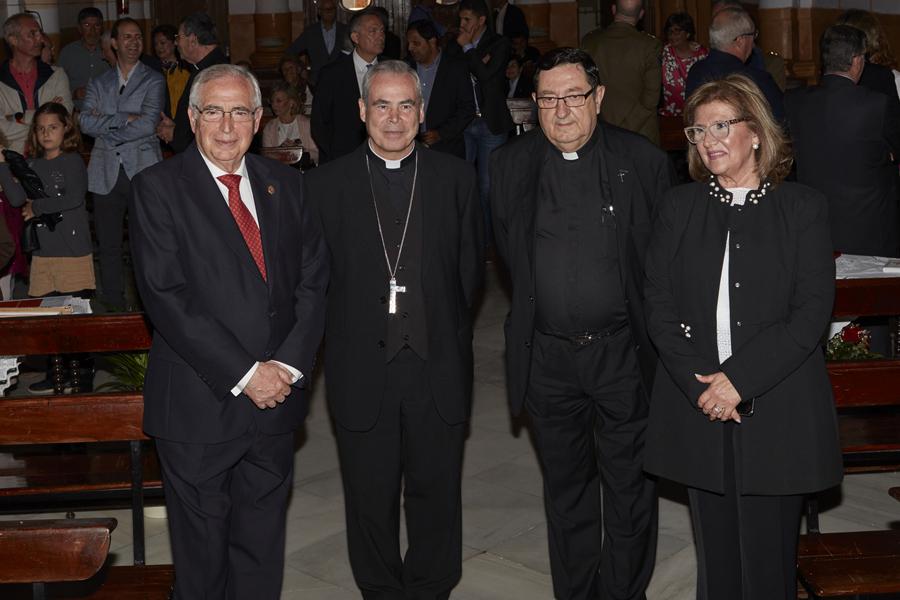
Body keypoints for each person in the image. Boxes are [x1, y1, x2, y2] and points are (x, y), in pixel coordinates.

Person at [129, 63, 328, 599]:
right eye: (213, 110)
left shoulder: (286, 184)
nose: (226, 125)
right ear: (192, 118)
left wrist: (283, 368)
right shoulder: (157, 189)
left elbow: (313, 281)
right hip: (199, 404)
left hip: (275, 403)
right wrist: (246, 374)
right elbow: (168, 297)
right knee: (202, 564)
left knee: (261, 552)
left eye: (239, 111)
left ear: (259, 119)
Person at [644, 73, 843, 600]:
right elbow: (658, 308)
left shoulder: (802, 208)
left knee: (767, 564)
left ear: (756, 132)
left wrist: (738, 382)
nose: (708, 139)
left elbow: (809, 315)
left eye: (721, 126)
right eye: (697, 130)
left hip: (777, 408)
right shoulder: (678, 208)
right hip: (699, 408)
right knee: (717, 567)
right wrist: (703, 391)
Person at [491, 47, 671, 600]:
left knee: (629, 488)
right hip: (548, 358)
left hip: (622, 354)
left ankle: (624, 593)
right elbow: (508, 255)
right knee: (566, 491)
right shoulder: (509, 165)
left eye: (573, 97)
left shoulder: (642, 161)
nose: (561, 111)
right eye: (548, 99)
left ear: (598, 98)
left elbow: (662, 263)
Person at [306, 60, 483, 600]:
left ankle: (431, 586)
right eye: (381, 105)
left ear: (421, 111)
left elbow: (470, 273)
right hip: (362, 365)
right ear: (362, 112)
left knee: (436, 489)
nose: (394, 117)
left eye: (406, 105)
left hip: (435, 362)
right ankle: (381, 588)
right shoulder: (325, 186)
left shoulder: (455, 178)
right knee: (369, 492)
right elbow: (313, 282)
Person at [0, 102, 94, 392]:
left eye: (52, 127)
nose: (46, 133)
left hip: (72, 251)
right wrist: (3, 165)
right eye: (40, 129)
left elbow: (74, 198)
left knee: (73, 317)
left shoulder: (72, 161)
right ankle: (54, 373)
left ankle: (82, 373)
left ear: (66, 128)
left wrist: (37, 206)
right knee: (45, 317)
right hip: (43, 252)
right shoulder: (34, 165)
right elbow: (16, 199)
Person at [786, 25, 900, 257]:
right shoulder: (878, 104)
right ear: (857, 60)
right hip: (871, 229)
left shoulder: (794, 102)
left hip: (813, 226)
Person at [80, 18, 165, 312]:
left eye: (138, 37)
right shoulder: (99, 82)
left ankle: (150, 304)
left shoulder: (153, 79)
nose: (134, 42)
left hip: (142, 168)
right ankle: (114, 303)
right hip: (105, 172)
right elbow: (85, 122)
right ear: (113, 43)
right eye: (127, 37)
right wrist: (123, 118)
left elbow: (148, 124)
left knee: (146, 243)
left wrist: (109, 125)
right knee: (108, 243)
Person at [448, 0, 514, 243]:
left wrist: (469, 50)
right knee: (464, 185)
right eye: (460, 20)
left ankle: (489, 243)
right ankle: (467, 239)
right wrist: (463, 50)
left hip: (490, 124)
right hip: (464, 123)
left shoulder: (498, 43)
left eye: (467, 20)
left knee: (488, 188)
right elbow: (450, 73)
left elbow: (486, 76)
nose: (462, 25)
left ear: (481, 20)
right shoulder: (456, 46)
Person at [582, 0, 662, 145]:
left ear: (613, 10)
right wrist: (624, 128)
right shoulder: (650, 46)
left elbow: (584, 88)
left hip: (600, 131)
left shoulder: (590, 42)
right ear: (641, 14)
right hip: (640, 134)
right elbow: (651, 98)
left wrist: (611, 129)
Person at [685, 7, 784, 123]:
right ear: (740, 40)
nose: (753, 43)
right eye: (753, 35)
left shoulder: (695, 71)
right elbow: (781, 122)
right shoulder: (755, 79)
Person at [312, 9, 385, 163]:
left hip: (385, 155)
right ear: (355, 37)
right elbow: (319, 123)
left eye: (382, 30)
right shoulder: (332, 74)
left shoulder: (392, 70)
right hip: (344, 159)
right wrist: (335, 158)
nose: (380, 36)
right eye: (373, 31)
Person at [156, 12, 228, 153]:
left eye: (178, 37)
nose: (176, 43)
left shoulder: (215, 73)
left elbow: (212, 127)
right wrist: (177, 127)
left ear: (193, 40)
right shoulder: (202, 68)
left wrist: (175, 135)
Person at [0, 13, 72, 154]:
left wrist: (18, 117)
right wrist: (45, 126)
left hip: (52, 158)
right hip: (12, 160)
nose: (40, 39)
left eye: (40, 32)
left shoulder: (56, 75)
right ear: (13, 40)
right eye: (32, 34)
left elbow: (64, 117)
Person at [406, 19, 475, 158]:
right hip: (411, 147)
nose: (410, 48)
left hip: (447, 148)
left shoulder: (455, 67)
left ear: (432, 41)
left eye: (416, 43)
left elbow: (467, 108)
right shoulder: (406, 68)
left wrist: (441, 134)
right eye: (408, 43)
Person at [284, 0, 347, 84]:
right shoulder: (310, 32)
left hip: (341, 80)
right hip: (317, 81)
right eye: (326, 9)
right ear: (319, 12)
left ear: (336, 11)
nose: (329, 12)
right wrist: (301, 68)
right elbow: (291, 51)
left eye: (332, 9)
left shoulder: (345, 30)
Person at [57, 7, 108, 113]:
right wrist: (75, 93)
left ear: (102, 28)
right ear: (79, 28)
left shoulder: (110, 51)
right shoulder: (67, 53)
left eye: (97, 25)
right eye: (87, 25)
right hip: (76, 113)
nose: (93, 31)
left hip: (106, 112)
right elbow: (55, 88)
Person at [659, 12, 708, 117]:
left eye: (677, 32)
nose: (672, 36)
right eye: (670, 32)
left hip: (696, 114)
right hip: (669, 115)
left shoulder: (701, 54)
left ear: (687, 33)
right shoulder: (663, 52)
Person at [262, 82, 319, 164]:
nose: (274, 105)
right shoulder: (270, 127)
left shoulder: (306, 124)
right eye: (272, 101)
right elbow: (266, 158)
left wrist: (299, 151)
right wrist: (282, 152)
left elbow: (317, 154)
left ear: (291, 102)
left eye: (279, 101)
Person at [147, 24, 191, 118]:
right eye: (156, 44)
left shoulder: (185, 69)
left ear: (174, 43)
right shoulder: (152, 70)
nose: (159, 48)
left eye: (162, 43)